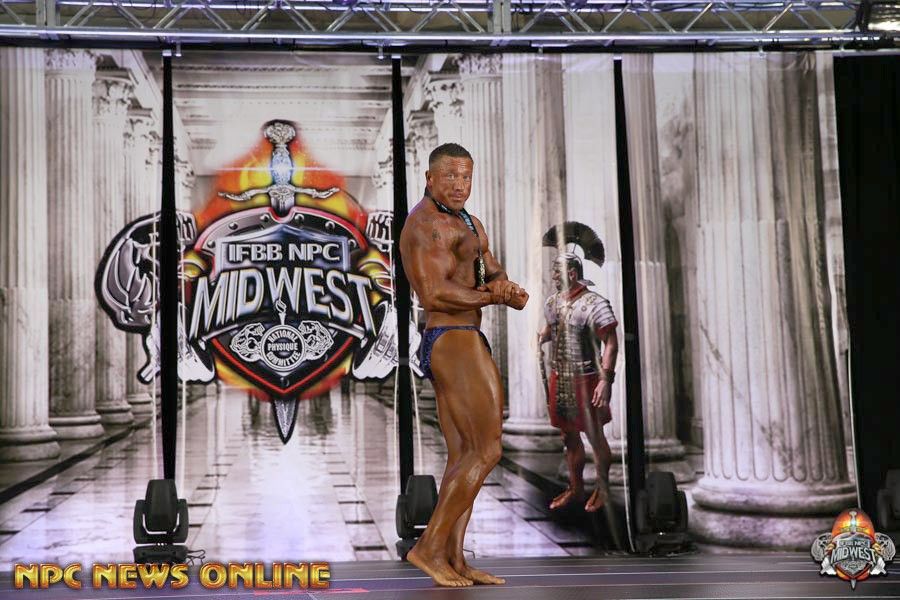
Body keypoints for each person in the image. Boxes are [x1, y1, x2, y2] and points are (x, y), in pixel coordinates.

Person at [399, 142, 528, 587]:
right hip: (451, 337)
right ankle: (428, 548)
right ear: (430, 178)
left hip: (465, 334)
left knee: (465, 454)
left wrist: (505, 287)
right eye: (450, 176)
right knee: (488, 450)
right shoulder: (426, 224)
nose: (459, 185)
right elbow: (433, 293)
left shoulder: (470, 222)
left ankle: (454, 558)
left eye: (466, 176)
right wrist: (491, 297)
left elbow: (489, 270)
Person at [538, 252, 619, 513]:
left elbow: (611, 343)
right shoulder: (553, 302)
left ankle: (603, 489)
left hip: (587, 378)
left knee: (595, 435)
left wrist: (606, 380)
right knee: (568, 436)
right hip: (560, 377)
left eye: (557, 271)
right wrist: (543, 336)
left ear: (572, 273)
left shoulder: (595, 303)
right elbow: (553, 328)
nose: (553, 276)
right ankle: (576, 488)